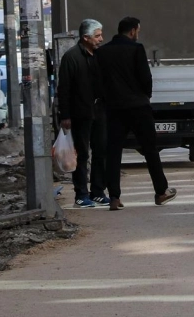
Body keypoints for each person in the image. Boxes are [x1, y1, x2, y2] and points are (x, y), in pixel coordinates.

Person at [96, 16, 175, 207]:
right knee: (150, 149)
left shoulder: (103, 52)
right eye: (137, 31)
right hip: (138, 106)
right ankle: (161, 191)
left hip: (114, 108)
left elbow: (98, 80)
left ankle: (114, 196)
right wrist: (145, 96)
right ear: (132, 31)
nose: (137, 34)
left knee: (113, 151)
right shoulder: (136, 49)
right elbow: (145, 78)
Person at [56, 21, 108, 208]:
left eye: (101, 35)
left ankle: (98, 191)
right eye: (97, 36)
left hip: (99, 111)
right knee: (82, 154)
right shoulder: (71, 58)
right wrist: (65, 115)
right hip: (80, 113)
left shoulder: (100, 56)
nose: (101, 39)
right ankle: (81, 194)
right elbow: (64, 89)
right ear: (85, 38)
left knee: (101, 150)